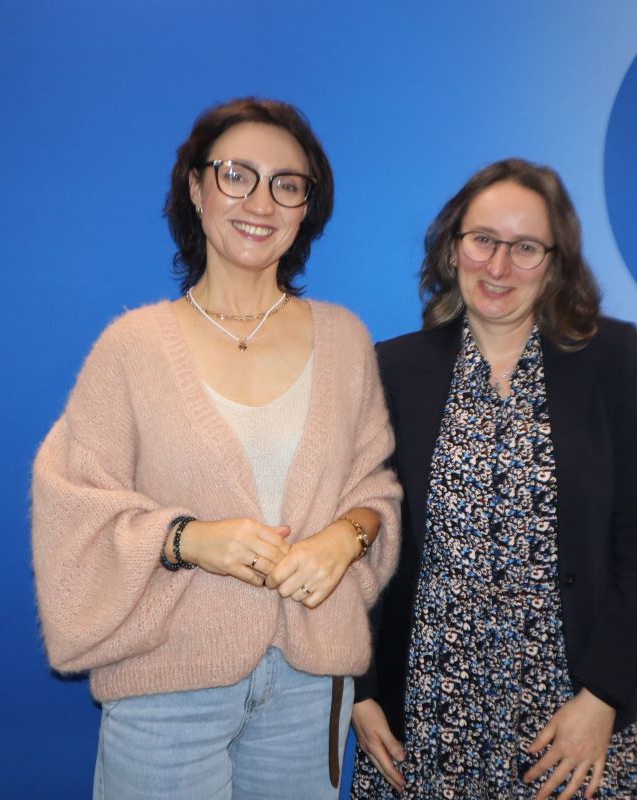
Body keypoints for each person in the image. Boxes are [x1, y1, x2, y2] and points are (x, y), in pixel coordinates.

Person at [32, 97, 401, 800]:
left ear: (306, 209)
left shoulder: (345, 341)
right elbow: (72, 504)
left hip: (309, 685)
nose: (260, 202)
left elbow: (375, 489)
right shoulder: (132, 348)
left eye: (286, 184)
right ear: (196, 188)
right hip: (166, 685)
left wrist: (346, 538)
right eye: (236, 175)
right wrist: (187, 539)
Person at [350, 159, 637, 800]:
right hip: (426, 710)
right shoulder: (394, 367)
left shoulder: (608, 359)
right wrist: (360, 691)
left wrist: (603, 696)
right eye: (483, 240)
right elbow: (364, 535)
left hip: (571, 713)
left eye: (525, 248)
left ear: (555, 263)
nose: (498, 267)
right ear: (453, 247)